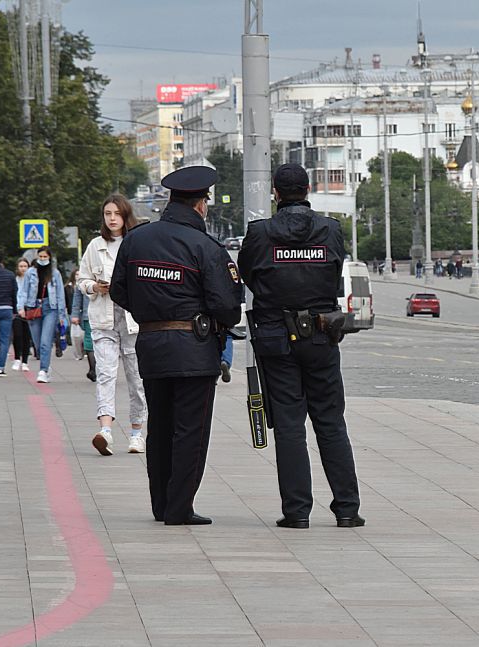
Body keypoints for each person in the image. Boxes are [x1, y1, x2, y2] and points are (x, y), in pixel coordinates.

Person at [111, 165, 242, 526]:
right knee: (190, 431)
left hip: (152, 344)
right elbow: (228, 308)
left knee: (159, 427)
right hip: (194, 349)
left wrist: (151, 312)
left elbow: (119, 289)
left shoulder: (137, 239)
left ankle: (161, 504)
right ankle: (179, 508)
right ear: (201, 205)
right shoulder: (206, 247)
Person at [238, 163, 363, 530]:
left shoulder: (260, 233)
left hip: (276, 336)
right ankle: (347, 509)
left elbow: (248, 274)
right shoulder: (330, 229)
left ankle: (297, 511)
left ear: (275, 193)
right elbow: (335, 272)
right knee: (330, 421)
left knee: (289, 424)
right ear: (308, 190)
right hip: (322, 334)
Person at [80, 194, 147, 455]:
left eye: (117, 214)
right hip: (103, 319)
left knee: (136, 378)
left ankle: (137, 433)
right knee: (106, 375)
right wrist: (94, 287)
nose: (112, 218)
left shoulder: (136, 244)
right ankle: (105, 430)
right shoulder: (95, 245)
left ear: (125, 215)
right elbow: (82, 279)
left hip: (132, 321)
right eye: (107, 214)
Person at [18, 246, 67, 383]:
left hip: (50, 308)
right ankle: (46, 365)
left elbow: (60, 294)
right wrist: (21, 307)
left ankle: (43, 371)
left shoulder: (55, 273)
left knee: (46, 341)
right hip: (33, 307)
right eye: (40, 256)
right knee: (38, 343)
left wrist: (62, 315)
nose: (43, 259)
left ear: (49, 257)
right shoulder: (30, 272)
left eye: (45, 257)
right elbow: (23, 291)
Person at [70, 272, 97, 380]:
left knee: (93, 342)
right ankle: (93, 369)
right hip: (88, 315)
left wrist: (75, 314)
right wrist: (75, 314)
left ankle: (94, 369)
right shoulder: (83, 279)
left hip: (98, 315)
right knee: (90, 342)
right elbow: (77, 298)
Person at [11, 259, 33, 372]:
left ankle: (25, 361)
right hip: (16, 309)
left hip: (29, 308)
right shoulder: (15, 280)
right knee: (17, 334)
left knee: (26, 336)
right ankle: (17, 358)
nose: (23, 268)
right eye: (21, 266)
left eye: (25, 266)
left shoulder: (32, 280)